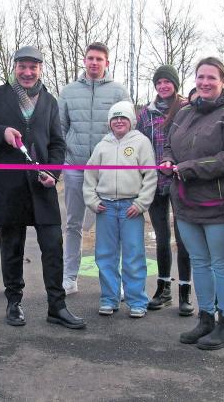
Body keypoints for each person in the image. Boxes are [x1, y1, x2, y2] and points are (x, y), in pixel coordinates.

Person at [0, 45, 85, 330]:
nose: (28, 72)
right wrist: (1, 133)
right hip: (9, 187)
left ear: (41, 69)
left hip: (42, 188)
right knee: (12, 248)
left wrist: (53, 173)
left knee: (53, 247)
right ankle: (13, 303)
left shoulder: (49, 101)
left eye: (33, 67)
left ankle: (57, 306)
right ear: (14, 67)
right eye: (22, 67)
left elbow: (57, 143)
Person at [162, 57, 224, 350]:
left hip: (220, 203)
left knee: (221, 263)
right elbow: (169, 142)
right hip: (186, 202)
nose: (205, 82)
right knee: (199, 262)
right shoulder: (185, 111)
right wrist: (169, 160)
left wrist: (191, 167)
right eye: (201, 77)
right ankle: (206, 318)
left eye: (211, 77)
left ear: (223, 80)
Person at [59, 42, 131, 295]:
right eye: (90, 58)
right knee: (73, 224)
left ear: (107, 63)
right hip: (75, 167)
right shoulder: (68, 92)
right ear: (84, 60)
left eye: (99, 59)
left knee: (111, 226)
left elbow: (127, 131)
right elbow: (60, 128)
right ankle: (69, 277)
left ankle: (114, 283)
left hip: (108, 171)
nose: (94, 62)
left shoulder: (119, 91)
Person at [83, 101, 157, 318]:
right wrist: (93, 201)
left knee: (134, 254)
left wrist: (140, 203)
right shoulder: (102, 146)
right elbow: (89, 177)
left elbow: (150, 176)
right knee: (105, 255)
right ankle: (109, 298)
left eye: (123, 117)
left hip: (130, 207)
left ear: (131, 121)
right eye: (114, 118)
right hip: (106, 207)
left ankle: (137, 301)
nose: (118, 121)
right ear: (109, 122)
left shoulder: (141, 143)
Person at [137, 64, 194, 316]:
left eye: (167, 82)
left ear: (175, 84)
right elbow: (138, 143)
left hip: (180, 182)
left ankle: (184, 292)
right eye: (159, 82)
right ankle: (163, 289)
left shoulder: (186, 109)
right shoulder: (145, 114)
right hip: (154, 182)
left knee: (183, 240)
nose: (163, 86)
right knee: (162, 238)